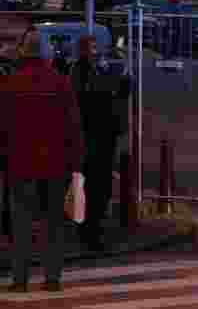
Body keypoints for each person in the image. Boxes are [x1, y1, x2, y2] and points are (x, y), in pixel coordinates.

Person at [0, 29, 84, 293]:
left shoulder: (10, 83)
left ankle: (20, 279)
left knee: (21, 222)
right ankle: (52, 277)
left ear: (22, 52)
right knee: (54, 222)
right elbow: (73, 126)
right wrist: (76, 162)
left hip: (20, 163)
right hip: (55, 164)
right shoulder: (60, 83)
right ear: (47, 54)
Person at [72, 35, 124, 252]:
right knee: (94, 188)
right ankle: (90, 232)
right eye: (91, 48)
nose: (95, 53)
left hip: (98, 137)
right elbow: (92, 100)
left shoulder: (93, 71)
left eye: (95, 48)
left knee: (96, 187)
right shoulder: (82, 72)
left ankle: (90, 229)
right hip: (94, 138)